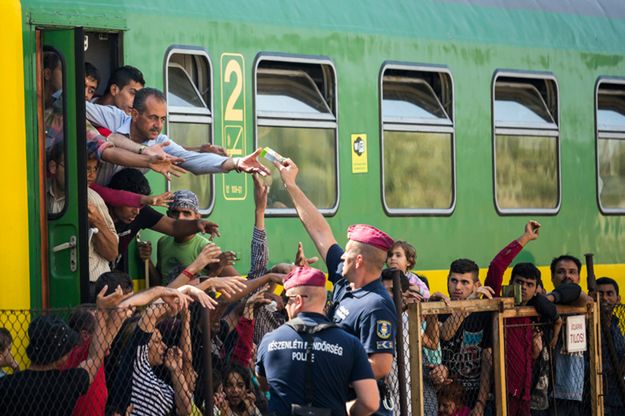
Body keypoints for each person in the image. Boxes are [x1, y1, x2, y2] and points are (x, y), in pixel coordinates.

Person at [275, 158, 397, 416]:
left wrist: (329, 371)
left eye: (347, 253)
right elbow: (320, 232)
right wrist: (291, 185)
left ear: (360, 260)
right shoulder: (345, 283)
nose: (341, 257)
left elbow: (381, 365)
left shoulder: (376, 305)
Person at [256, 266, 379, 415]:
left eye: (286, 299)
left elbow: (264, 384)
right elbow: (370, 403)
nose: (285, 305)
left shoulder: (270, 341)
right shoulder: (350, 344)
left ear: (298, 300)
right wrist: (344, 411)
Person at [85, 87, 271, 184]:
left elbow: (194, 161)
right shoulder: (113, 118)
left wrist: (237, 163)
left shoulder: (161, 143)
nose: (158, 125)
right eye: (153, 118)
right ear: (134, 115)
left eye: (163, 119)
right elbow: (71, 102)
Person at [0, 286, 129, 416]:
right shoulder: (68, 383)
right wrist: (101, 312)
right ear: (59, 357)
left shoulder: (7, 385)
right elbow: (96, 357)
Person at [483, 221, 561, 416]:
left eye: (529, 284)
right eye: (519, 283)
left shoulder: (535, 312)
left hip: (525, 395)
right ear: (511, 284)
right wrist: (525, 238)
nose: (524, 288)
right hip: (501, 395)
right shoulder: (501, 305)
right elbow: (496, 267)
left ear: (537, 288)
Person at [105, 168, 219, 270]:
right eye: (131, 204)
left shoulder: (141, 213)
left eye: (140, 205)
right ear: (116, 199)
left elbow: (173, 226)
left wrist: (198, 224)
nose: (137, 211)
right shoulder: (98, 212)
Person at [436, 258, 493, 415]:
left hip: (474, 395)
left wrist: (480, 403)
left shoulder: (484, 314)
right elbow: (446, 334)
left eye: (465, 282)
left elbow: (487, 360)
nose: (458, 287)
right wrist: (469, 303)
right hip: (444, 397)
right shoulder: (440, 308)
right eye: (453, 280)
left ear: (477, 286)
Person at [548, 255, 590, 416]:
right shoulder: (545, 302)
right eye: (561, 272)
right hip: (550, 391)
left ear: (579, 277)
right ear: (552, 277)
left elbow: (576, 292)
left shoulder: (582, 300)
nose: (567, 276)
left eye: (572, 272)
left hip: (581, 390)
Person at [156, 190, 213, 282]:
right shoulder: (163, 242)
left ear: (197, 217)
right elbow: (159, 282)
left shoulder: (205, 247)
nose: (180, 218)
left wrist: (217, 270)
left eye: (186, 213)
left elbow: (239, 285)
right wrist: (146, 260)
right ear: (168, 215)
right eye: (175, 213)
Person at [595, 277, 625, 416]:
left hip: (617, 397)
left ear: (618, 299)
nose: (604, 298)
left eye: (609, 294)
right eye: (600, 294)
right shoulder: (588, 326)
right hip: (595, 397)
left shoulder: (617, 326)